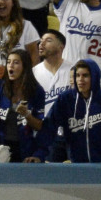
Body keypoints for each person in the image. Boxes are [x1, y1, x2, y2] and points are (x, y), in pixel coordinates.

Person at [38, 59, 101, 163]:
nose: (80, 80)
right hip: (78, 167)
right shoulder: (65, 100)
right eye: (77, 75)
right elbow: (48, 127)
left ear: (94, 77)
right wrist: (39, 154)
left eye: (85, 75)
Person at [0, 48, 45, 162]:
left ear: (25, 66)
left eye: (16, 62)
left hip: (26, 148)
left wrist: (26, 114)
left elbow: (39, 126)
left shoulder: (36, 91)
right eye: (8, 62)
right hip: (1, 147)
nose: (11, 66)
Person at [32, 29, 72, 162]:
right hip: (46, 134)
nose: (41, 44)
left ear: (61, 47)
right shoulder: (33, 73)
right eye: (41, 41)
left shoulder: (74, 70)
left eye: (48, 41)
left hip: (71, 132)